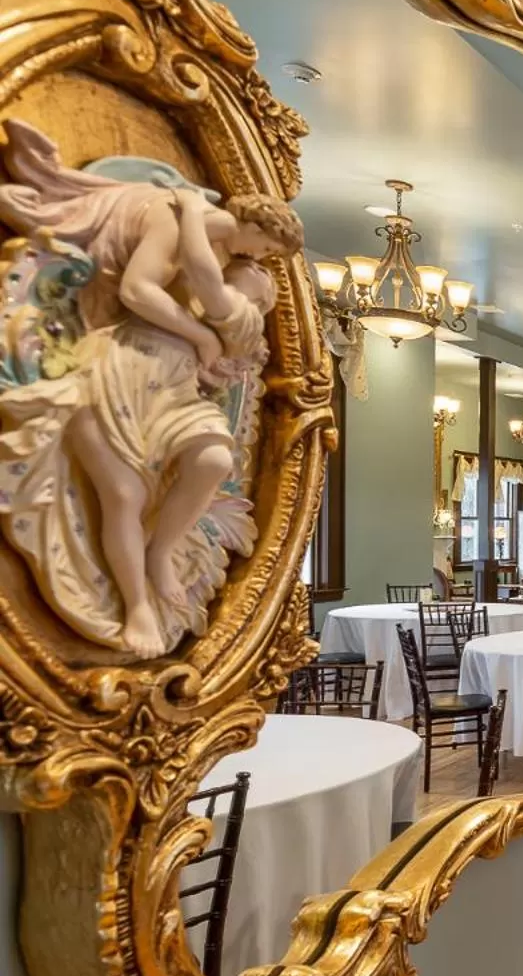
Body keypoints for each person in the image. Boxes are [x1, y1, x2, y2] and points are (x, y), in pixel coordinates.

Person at [0, 120, 303, 658]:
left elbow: (207, 281)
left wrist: (206, 336)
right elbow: (140, 290)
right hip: (124, 363)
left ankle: (159, 549)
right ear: (255, 227)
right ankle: (137, 602)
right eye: (266, 248)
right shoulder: (176, 224)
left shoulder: (232, 285)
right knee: (123, 494)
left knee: (211, 458)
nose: (262, 261)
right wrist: (199, 333)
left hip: (175, 381)